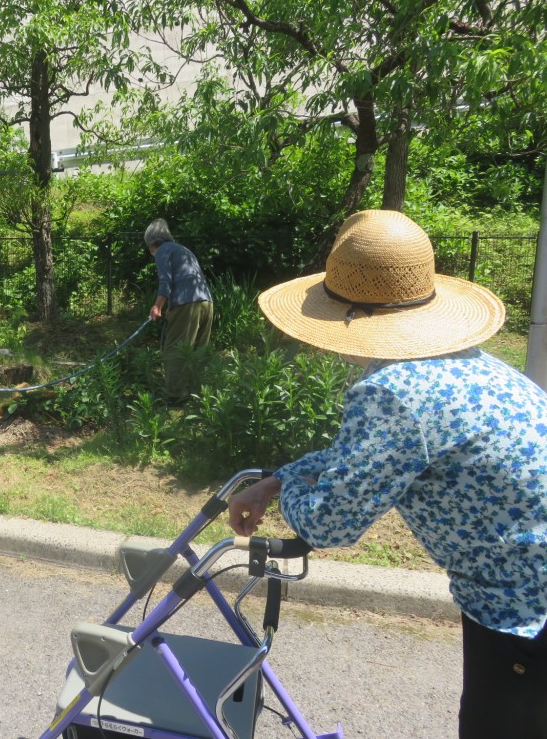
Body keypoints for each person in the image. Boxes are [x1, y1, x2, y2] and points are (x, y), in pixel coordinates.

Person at [226, 209, 547, 738]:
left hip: (522, 608)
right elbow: (362, 457)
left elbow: (330, 523)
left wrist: (292, 501)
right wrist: (280, 478)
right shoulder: (462, 360)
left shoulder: (395, 392)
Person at [144, 218, 213, 404]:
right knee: (198, 349)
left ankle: (176, 396)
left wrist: (157, 306)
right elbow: (188, 278)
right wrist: (172, 307)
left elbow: (165, 281)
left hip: (187, 304)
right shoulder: (183, 250)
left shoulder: (161, 252)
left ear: (152, 244)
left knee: (175, 350)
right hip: (207, 302)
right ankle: (198, 392)